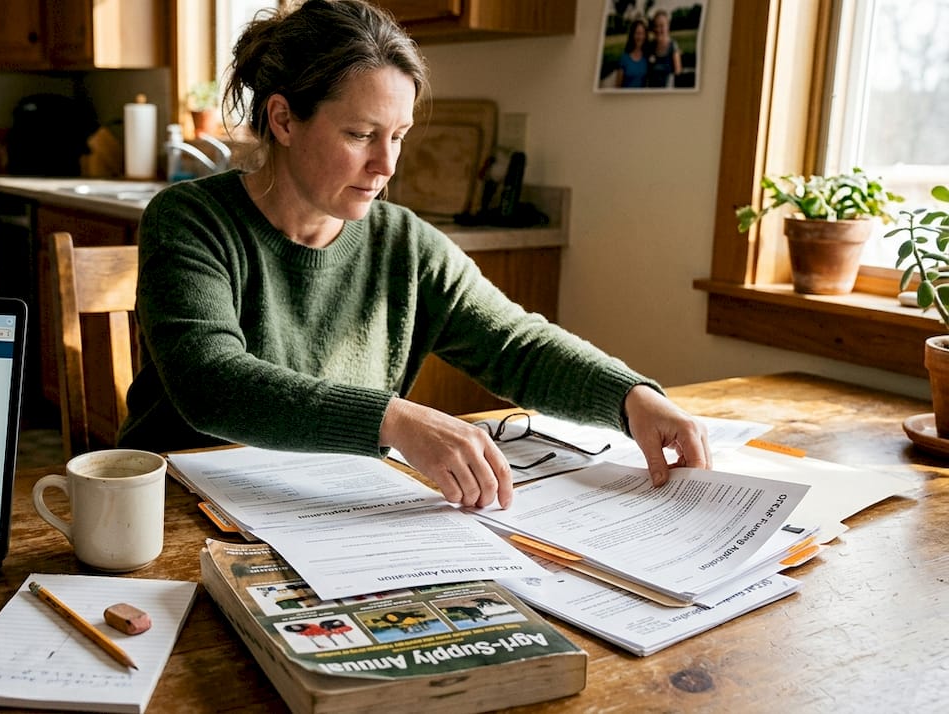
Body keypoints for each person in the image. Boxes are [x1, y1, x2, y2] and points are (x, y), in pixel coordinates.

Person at [117, 0, 710, 509]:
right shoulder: (189, 220)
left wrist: (630, 397)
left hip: (322, 506)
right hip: (173, 508)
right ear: (284, 119)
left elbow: (515, 345)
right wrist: (393, 418)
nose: (386, 164)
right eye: (360, 135)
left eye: (397, 135)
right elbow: (210, 380)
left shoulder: (404, 243)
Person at [645, 9, 682, 88]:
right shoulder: (650, 46)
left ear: (667, 26)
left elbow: (678, 73)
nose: (658, 29)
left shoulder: (673, 46)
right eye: (656, 26)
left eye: (661, 25)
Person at [616, 18, 649, 89]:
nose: (640, 37)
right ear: (632, 35)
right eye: (637, 33)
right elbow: (617, 87)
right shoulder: (624, 58)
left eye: (642, 33)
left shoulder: (647, 57)